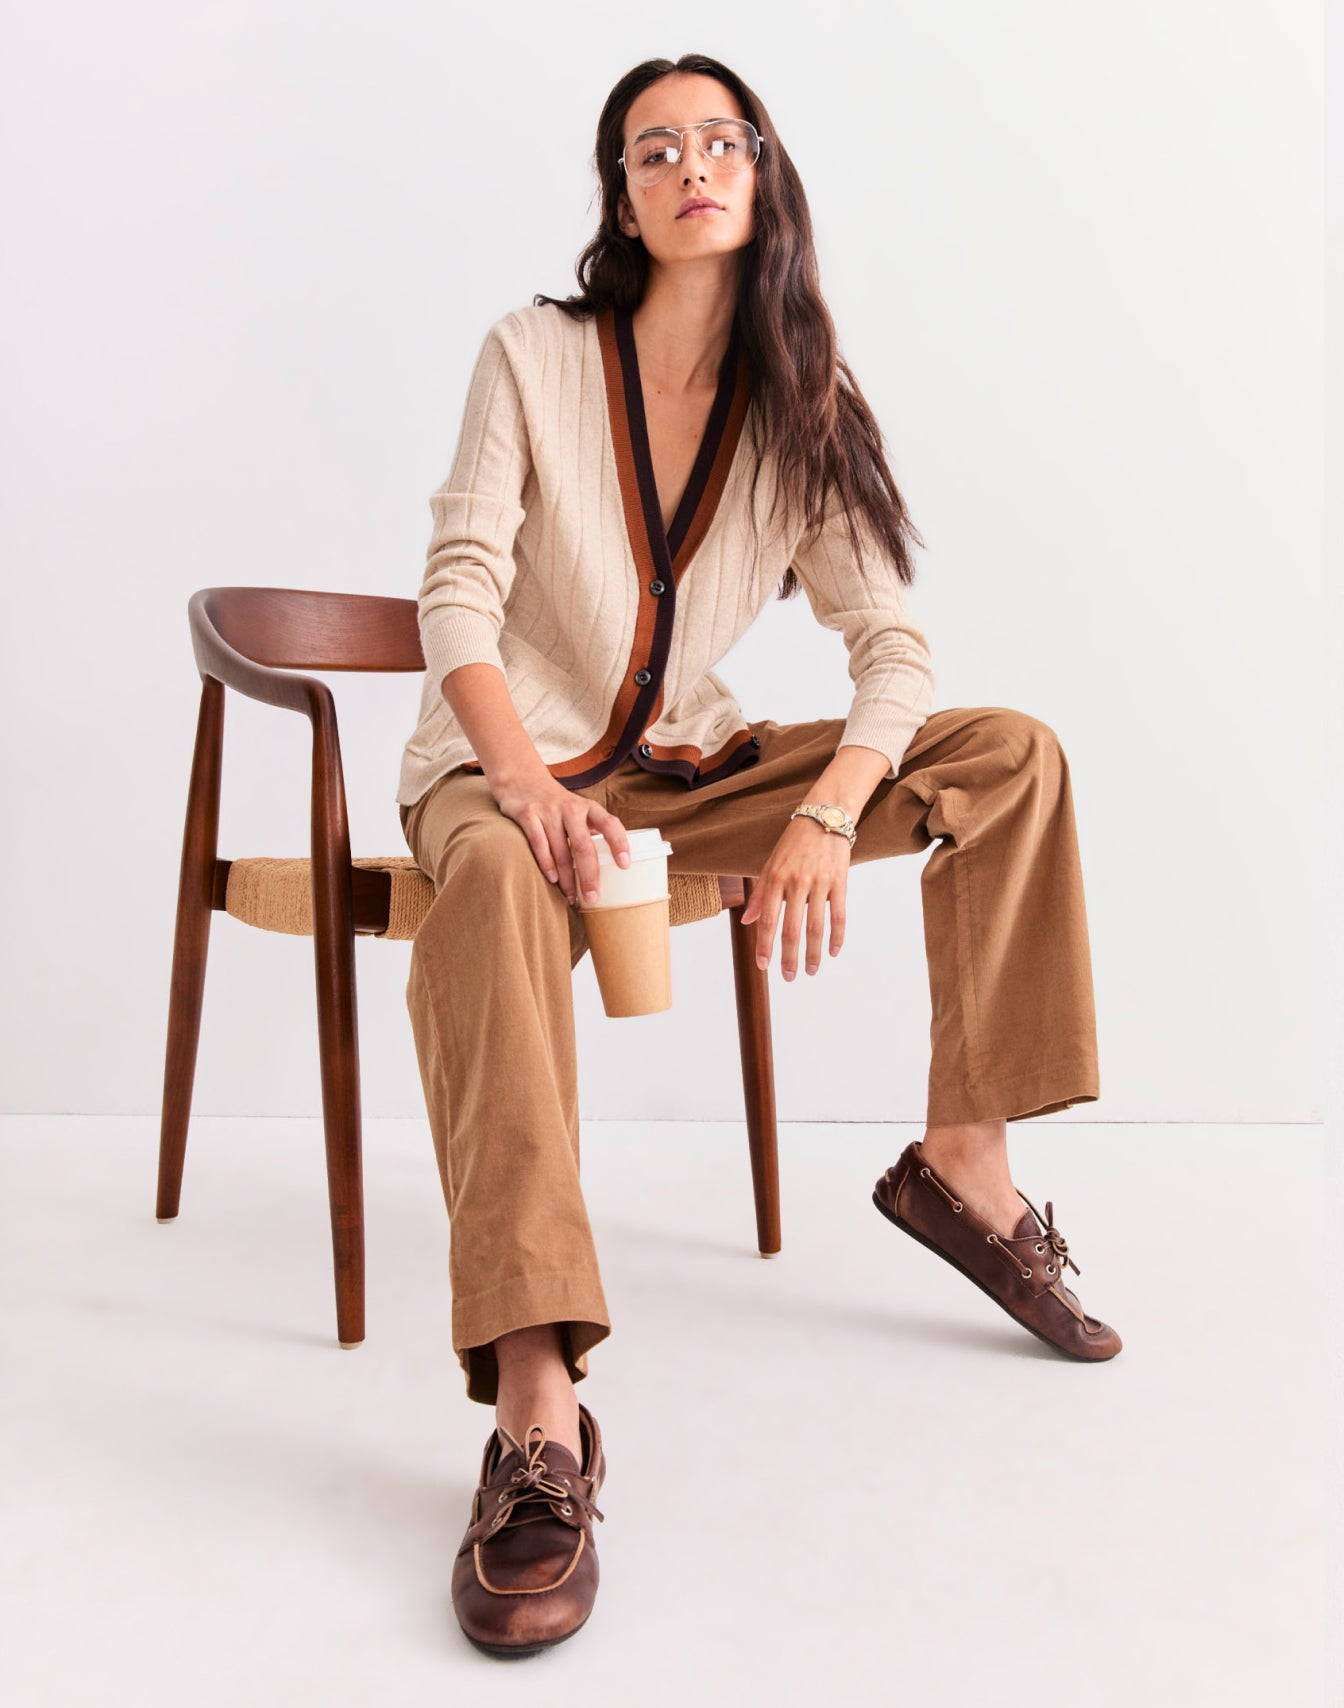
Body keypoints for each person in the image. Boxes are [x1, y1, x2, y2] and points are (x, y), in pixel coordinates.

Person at [396, 52, 1122, 1658]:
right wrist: (522, 784)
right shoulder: (530, 355)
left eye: (721, 139)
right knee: (502, 878)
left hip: (693, 772)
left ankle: (965, 1164)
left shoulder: (803, 404)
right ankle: (536, 1406)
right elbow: (456, 588)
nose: (691, 164)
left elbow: (895, 647)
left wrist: (816, 807)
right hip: (497, 767)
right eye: (656, 149)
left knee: (1008, 754)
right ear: (623, 197)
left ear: (763, 176)